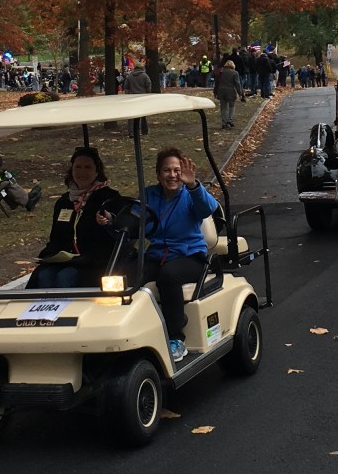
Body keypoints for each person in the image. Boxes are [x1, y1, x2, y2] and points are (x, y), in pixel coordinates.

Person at [133, 148, 221, 365]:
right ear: (158, 174)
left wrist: (193, 186)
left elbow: (208, 209)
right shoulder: (149, 195)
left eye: (176, 170)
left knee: (168, 276)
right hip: (157, 255)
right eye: (166, 170)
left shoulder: (191, 195)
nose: (172, 175)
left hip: (190, 256)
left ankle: (176, 338)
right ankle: (135, 332)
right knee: (125, 274)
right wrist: (111, 219)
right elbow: (134, 218)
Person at [26, 147, 122, 289]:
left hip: (95, 259)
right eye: (78, 167)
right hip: (68, 259)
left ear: (97, 172)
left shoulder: (109, 198)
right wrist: (50, 256)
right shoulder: (64, 201)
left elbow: (117, 227)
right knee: (44, 275)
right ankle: (45, 304)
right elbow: (56, 237)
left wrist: (107, 220)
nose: (82, 172)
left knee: (65, 276)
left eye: (87, 167)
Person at [213, 57, 244, 129]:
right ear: (233, 66)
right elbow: (237, 84)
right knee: (232, 106)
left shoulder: (220, 72)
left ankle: (224, 122)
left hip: (221, 91)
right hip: (231, 91)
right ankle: (230, 120)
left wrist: (215, 92)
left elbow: (216, 83)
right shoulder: (235, 73)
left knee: (223, 107)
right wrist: (240, 93)